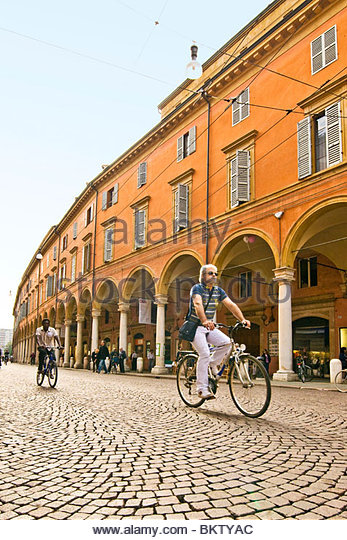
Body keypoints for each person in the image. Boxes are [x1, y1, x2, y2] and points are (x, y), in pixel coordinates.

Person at [189, 264, 251, 400]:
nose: (214, 276)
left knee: (228, 343)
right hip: (195, 327)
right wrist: (204, 320)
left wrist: (242, 319)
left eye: (216, 274)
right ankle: (201, 389)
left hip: (208, 327)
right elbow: (198, 304)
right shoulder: (197, 288)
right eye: (211, 273)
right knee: (204, 353)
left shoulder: (218, 291)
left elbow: (231, 305)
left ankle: (213, 363)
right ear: (203, 276)